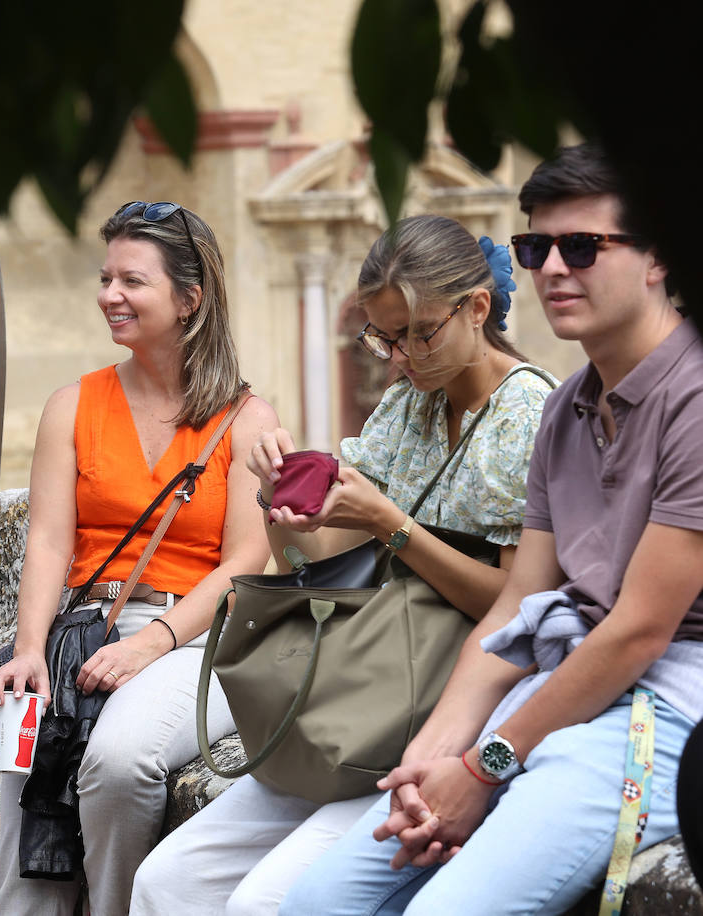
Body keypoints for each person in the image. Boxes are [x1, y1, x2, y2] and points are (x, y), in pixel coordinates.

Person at [280, 144, 703, 915]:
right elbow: (518, 607)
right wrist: (435, 750)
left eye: (582, 246)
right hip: (561, 687)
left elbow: (641, 631)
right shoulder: (568, 409)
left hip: (670, 704)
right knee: (316, 903)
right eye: (535, 248)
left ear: (657, 256)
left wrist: (483, 766)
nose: (552, 269)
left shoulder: (694, 396)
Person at [132, 214, 556, 915]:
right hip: (363, 691)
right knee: (163, 882)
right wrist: (280, 503)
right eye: (385, 337)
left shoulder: (528, 415)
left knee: (263, 902)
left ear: (478, 308)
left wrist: (394, 528)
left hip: (450, 709)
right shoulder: (407, 405)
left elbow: (516, 608)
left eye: (420, 334)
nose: (400, 357)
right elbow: (321, 563)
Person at [0, 201, 278, 915]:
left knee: (118, 762)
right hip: (83, 628)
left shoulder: (248, 420)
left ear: (189, 298)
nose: (108, 295)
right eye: (105, 277)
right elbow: (50, 540)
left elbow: (244, 564)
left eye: (132, 281)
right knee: (24, 753)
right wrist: (28, 650)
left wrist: (149, 644)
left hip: (194, 639)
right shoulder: (73, 405)